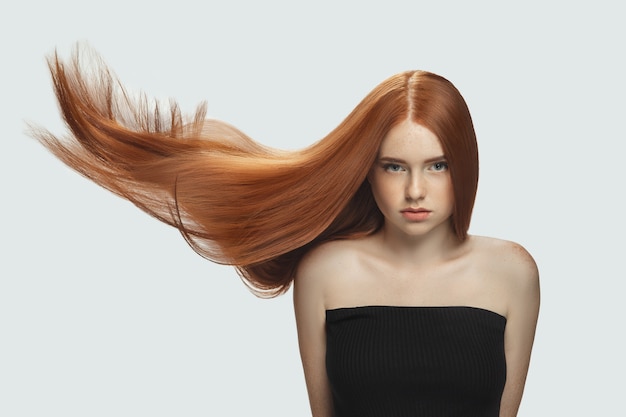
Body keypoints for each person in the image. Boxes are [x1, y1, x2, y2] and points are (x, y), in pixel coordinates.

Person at [32, 44, 540, 417]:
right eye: (392, 166)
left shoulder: (511, 273)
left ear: (465, 167)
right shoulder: (326, 272)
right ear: (366, 169)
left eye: (436, 166)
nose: (414, 191)